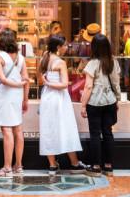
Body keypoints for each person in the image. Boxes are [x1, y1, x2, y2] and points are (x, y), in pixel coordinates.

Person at [38, 35, 83, 173]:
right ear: (58, 47)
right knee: (66, 128)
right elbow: (64, 84)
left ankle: (52, 165)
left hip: (46, 97)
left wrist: (46, 83)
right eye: (65, 45)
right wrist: (49, 83)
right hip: (59, 98)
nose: (66, 47)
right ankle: (74, 163)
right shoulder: (60, 62)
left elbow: (40, 79)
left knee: (48, 129)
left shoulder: (44, 58)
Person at [79, 33, 120, 177]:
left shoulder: (92, 64)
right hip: (110, 101)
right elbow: (116, 83)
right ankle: (108, 166)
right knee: (108, 132)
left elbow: (88, 86)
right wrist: (117, 99)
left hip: (95, 103)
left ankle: (96, 166)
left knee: (95, 134)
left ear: (94, 47)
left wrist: (83, 105)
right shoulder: (113, 62)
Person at [0, 29, 29, 177]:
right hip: (17, 96)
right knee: (18, 130)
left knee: (7, 130)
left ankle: (7, 168)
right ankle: (18, 165)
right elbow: (26, 80)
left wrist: (18, 85)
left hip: (4, 96)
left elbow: (3, 80)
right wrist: (25, 99)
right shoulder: (20, 58)